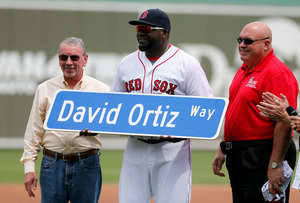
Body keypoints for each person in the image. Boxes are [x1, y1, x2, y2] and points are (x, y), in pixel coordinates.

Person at [112, 8, 212, 203]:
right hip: (135, 147)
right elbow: (114, 106)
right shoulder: (127, 63)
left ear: (164, 32)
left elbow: (205, 108)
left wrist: (182, 130)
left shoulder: (187, 63)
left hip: (172, 151)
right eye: (138, 28)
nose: (140, 32)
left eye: (146, 28)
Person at [212, 21, 299, 203]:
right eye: (240, 40)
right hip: (240, 154)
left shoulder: (276, 73)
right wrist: (224, 146)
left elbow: (284, 122)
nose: (242, 45)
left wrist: (275, 164)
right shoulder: (244, 69)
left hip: (263, 153)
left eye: (248, 41)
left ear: (266, 44)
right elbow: (237, 111)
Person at [20, 37, 109, 203]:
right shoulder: (45, 89)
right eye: (63, 57)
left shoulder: (102, 90)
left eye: (74, 57)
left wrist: (100, 127)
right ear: (58, 59)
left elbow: (116, 123)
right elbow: (34, 131)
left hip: (87, 164)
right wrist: (29, 168)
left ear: (85, 59)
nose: (68, 62)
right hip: (52, 165)